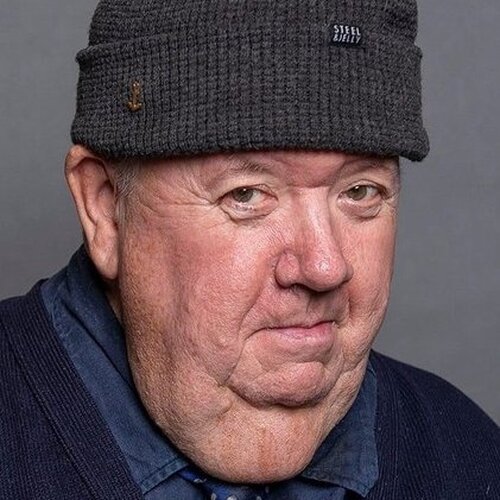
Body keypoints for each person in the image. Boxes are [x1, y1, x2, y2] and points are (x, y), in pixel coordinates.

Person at [1, 0, 498, 499]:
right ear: (105, 210)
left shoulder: (467, 459)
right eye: (246, 195)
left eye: (360, 191)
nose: (325, 266)